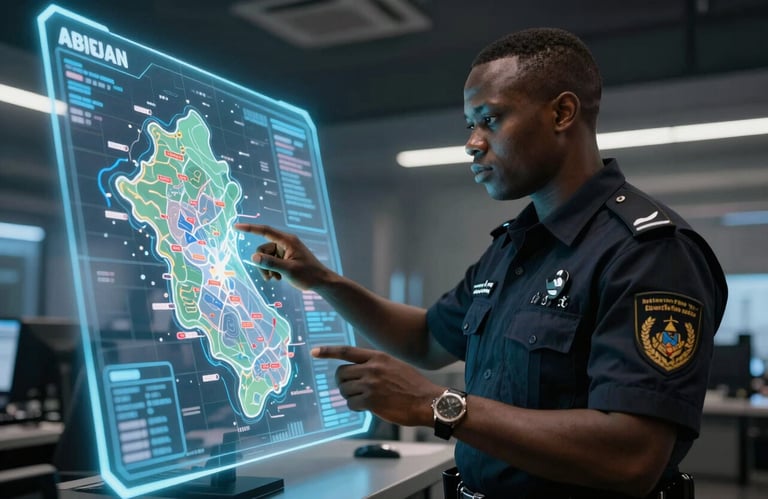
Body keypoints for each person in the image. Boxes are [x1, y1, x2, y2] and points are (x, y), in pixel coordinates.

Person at [236, 27, 727, 499]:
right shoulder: (514, 247)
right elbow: (428, 339)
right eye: (470, 125)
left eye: (489, 120)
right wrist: (321, 280)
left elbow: (633, 455)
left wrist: (436, 405)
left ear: (562, 113)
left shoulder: (648, 253)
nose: (472, 142)